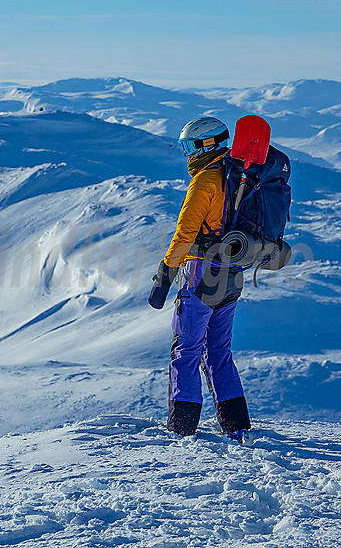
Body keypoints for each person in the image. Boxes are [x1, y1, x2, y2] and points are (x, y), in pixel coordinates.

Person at [150, 116, 251, 442]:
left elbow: (185, 233)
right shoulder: (240, 177)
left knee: (186, 351)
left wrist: (166, 273)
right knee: (219, 352)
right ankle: (236, 428)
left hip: (201, 275)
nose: (187, 154)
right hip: (232, 273)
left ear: (209, 145)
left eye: (191, 146)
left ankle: (182, 429)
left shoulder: (206, 180)